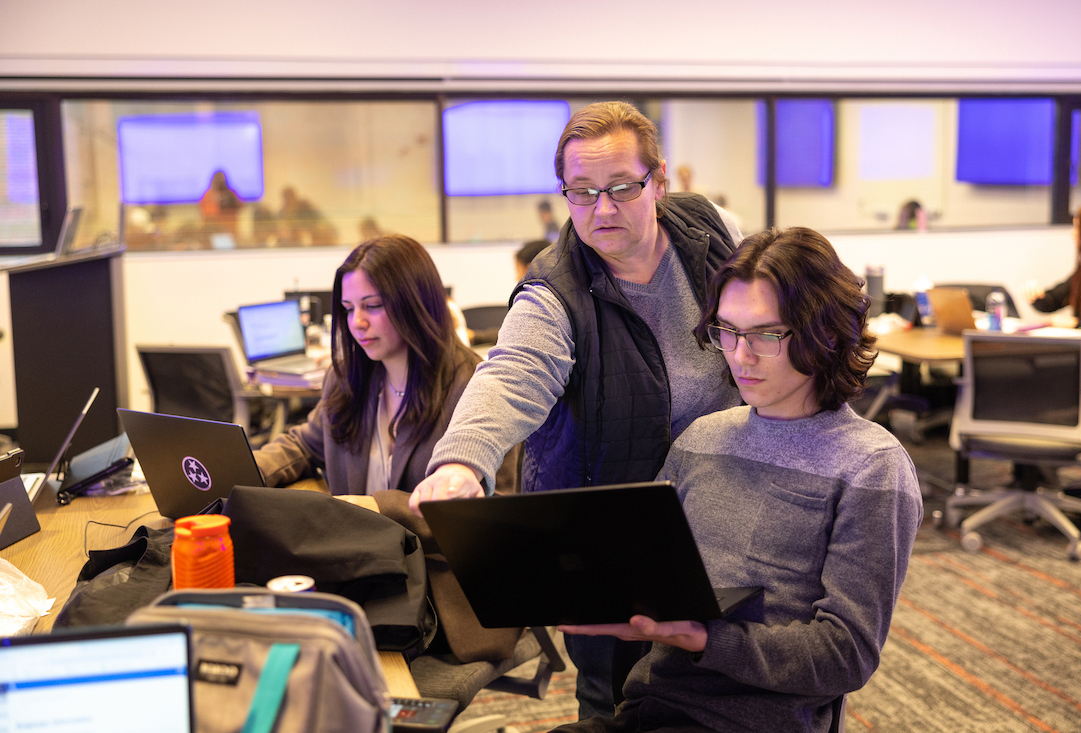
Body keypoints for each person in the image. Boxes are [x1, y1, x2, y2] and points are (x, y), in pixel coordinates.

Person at [411, 100, 743, 718]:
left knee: (727, 687)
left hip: (721, 516)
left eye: (622, 188)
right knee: (612, 699)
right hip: (614, 533)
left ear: (659, 181)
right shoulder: (555, 289)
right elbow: (512, 375)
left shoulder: (714, 231)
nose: (602, 210)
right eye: (582, 192)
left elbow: (778, 304)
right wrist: (461, 462)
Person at [553, 227, 924, 733]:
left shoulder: (871, 466)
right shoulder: (701, 440)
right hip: (651, 709)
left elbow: (846, 654)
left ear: (829, 333)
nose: (739, 355)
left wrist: (706, 639)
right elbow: (644, 569)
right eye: (727, 331)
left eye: (765, 335)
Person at [253, 234, 521, 659]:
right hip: (359, 565)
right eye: (348, 309)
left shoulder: (474, 388)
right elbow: (304, 444)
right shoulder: (351, 378)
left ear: (416, 303)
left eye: (372, 306)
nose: (357, 322)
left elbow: (486, 523)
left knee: (318, 652)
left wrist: (378, 506)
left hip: (438, 588)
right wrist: (242, 469)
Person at [1028, 200, 1081, 327]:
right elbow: (1053, 301)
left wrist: (1075, 324)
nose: (1073, 234)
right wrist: (1036, 295)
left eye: (1078, 228)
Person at [199, 170, 242, 236]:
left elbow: (240, 205)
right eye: (218, 179)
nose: (221, 181)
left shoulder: (231, 193)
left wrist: (230, 201)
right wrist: (217, 202)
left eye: (222, 179)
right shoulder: (209, 194)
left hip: (231, 227)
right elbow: (207, 213)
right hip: (215, 229)